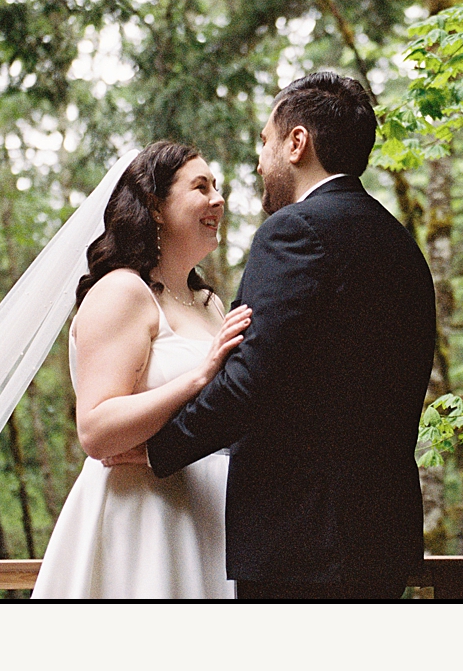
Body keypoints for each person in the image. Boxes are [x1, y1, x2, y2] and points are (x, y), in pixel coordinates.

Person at [146, 69, 437, 602]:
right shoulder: (402, 246)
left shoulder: (295, 231)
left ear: (297, 142)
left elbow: (248, 383)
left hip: (301, 543)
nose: (259, 162)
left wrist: (153, 453)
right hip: (382, 536)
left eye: (264, 141)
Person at [33, 141, 252, 599]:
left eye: (218, 187)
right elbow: (96, 429)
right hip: (141, 517)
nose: (218, 199)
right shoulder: (122, 292)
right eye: (200, 186)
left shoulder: (209, 303)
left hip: (210, 517)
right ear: (155, 207)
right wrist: (198, 377)